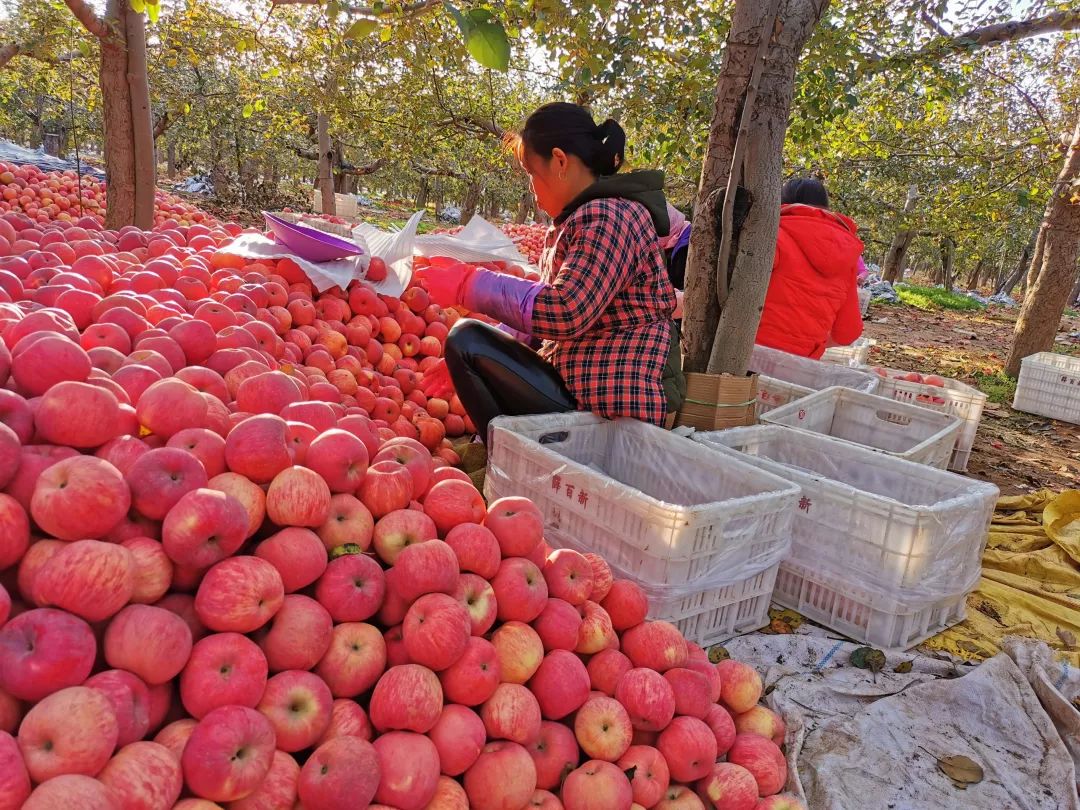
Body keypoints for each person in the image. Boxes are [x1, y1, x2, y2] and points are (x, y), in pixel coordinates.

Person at [416, 102, 683, 440]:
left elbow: (565, 311)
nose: (532, 186)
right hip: (590, 390)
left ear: (559, 160)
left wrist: (470, 284)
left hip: (618, 408)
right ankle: (510, 451)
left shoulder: (609, 217)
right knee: (470, 343)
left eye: (532, 173)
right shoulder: (588, 217)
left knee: (466, 336)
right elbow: (541, 318)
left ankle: (509, 457)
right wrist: (482, 358)